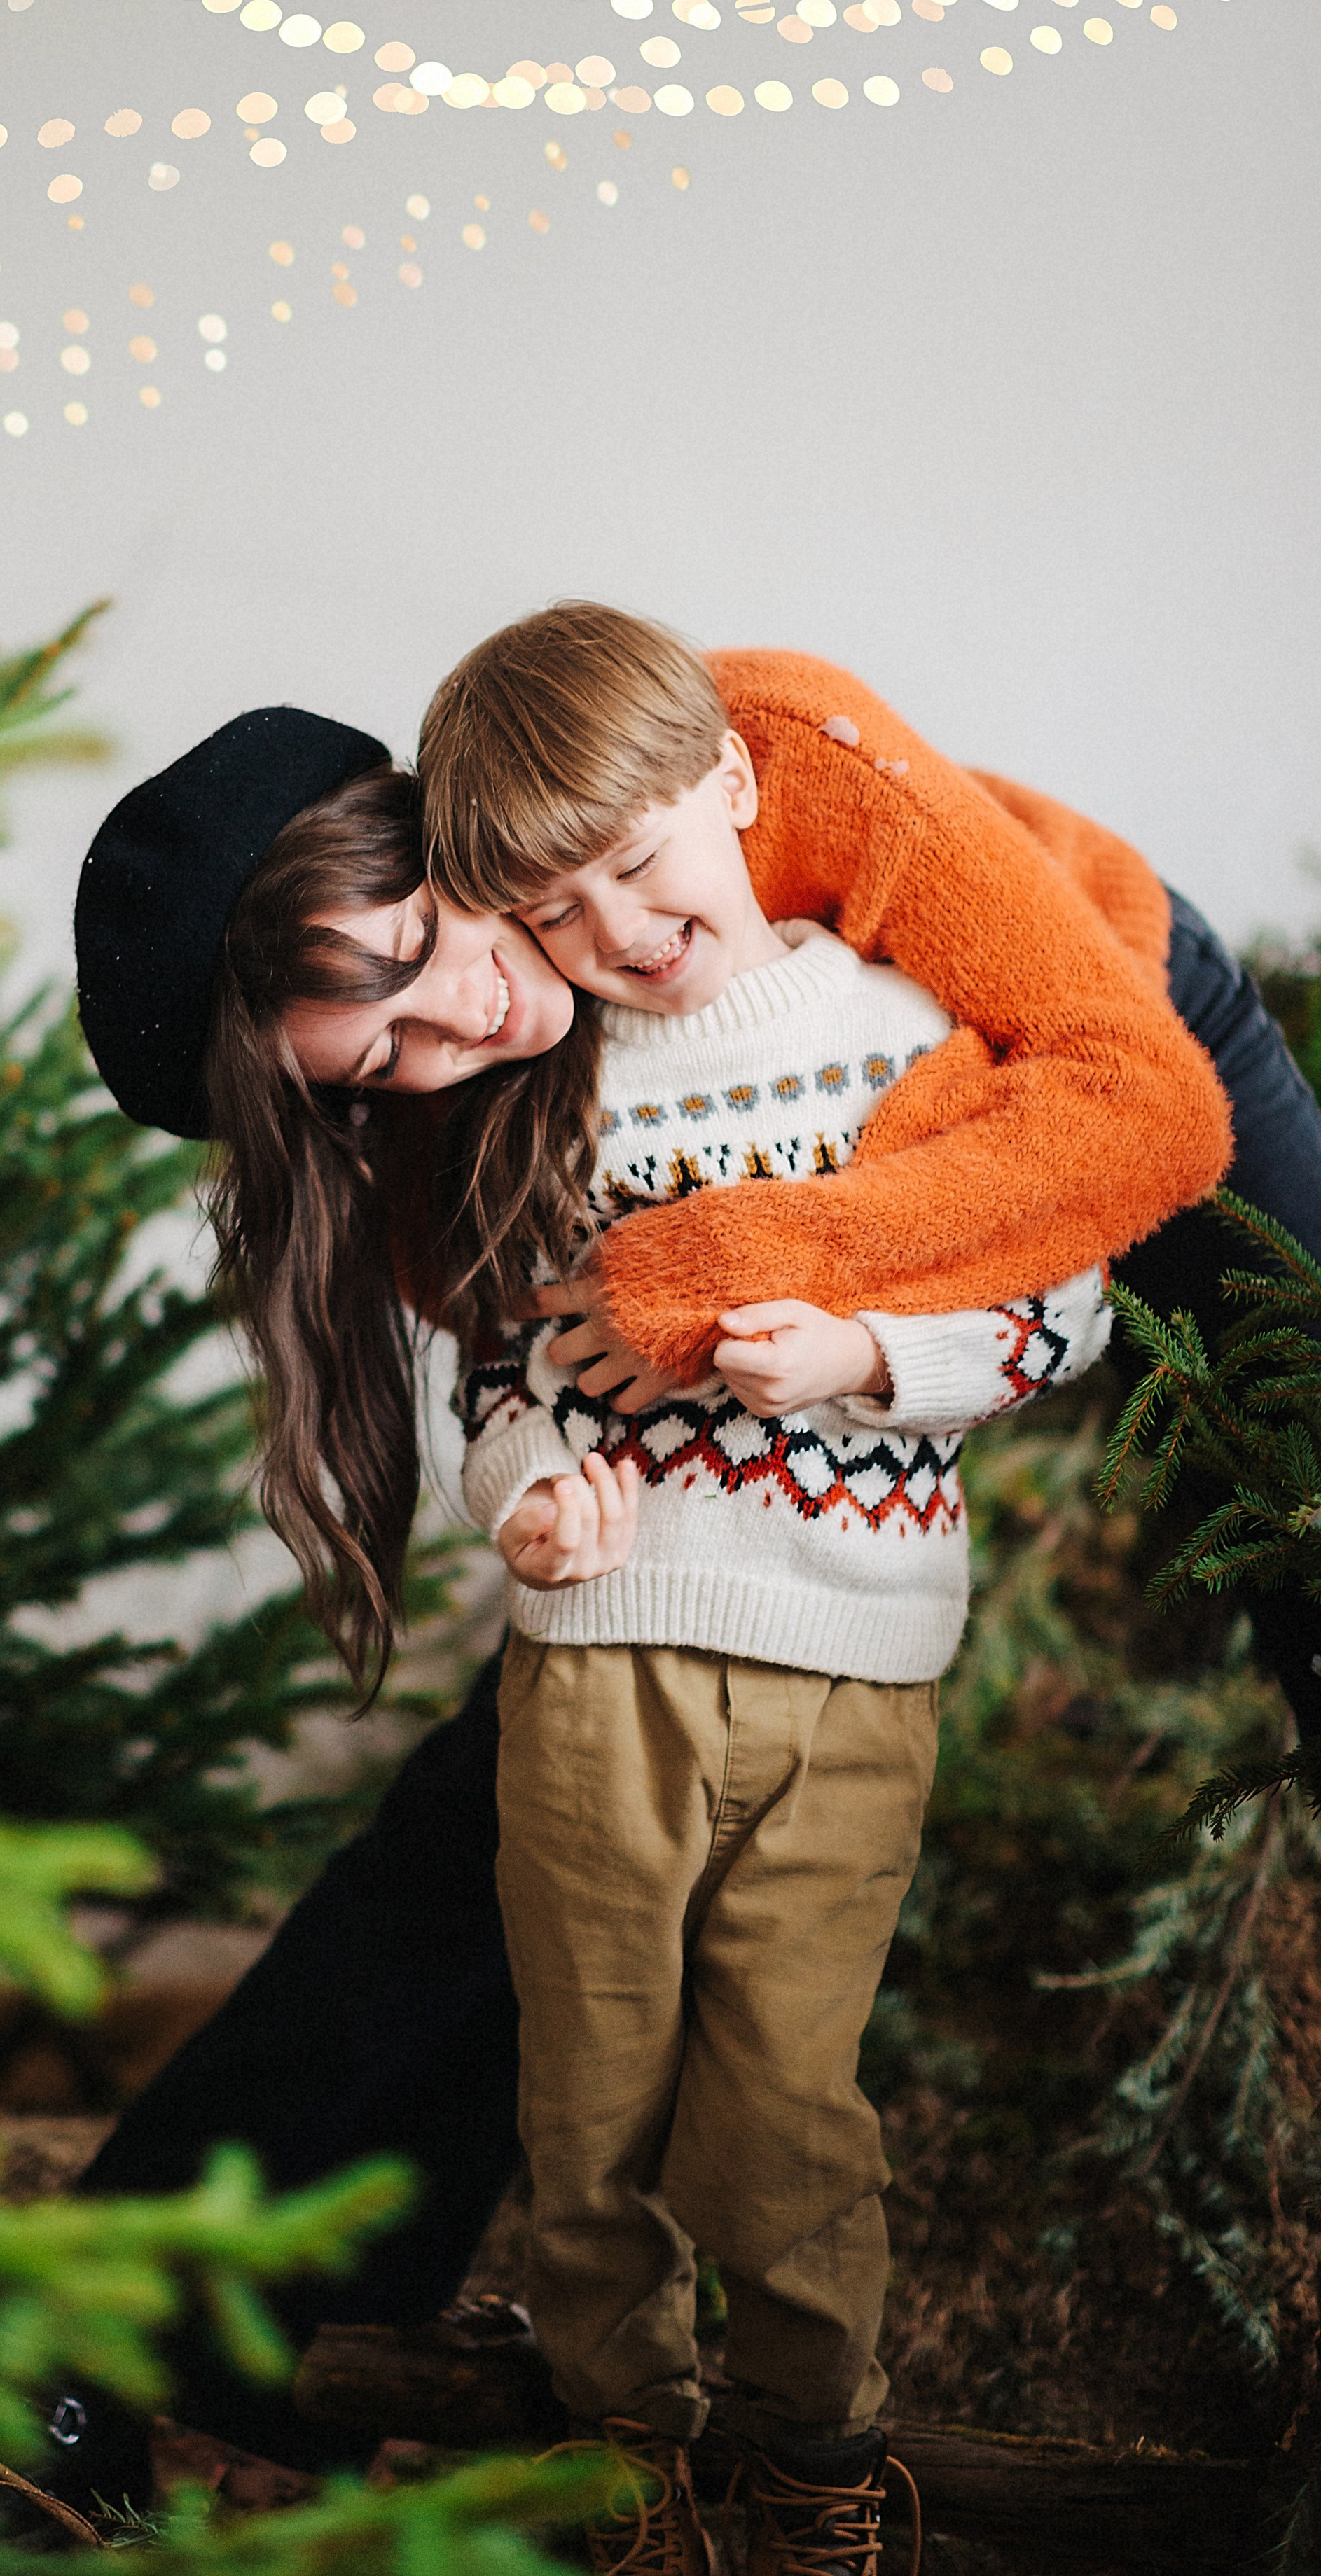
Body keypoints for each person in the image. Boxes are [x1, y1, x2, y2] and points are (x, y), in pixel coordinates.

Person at [59, 651, 1321, 2509]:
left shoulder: (741, 758)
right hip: (795, 1360)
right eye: (377, 1063)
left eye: (421, 950)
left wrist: (743, 1261)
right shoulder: (465, 1081)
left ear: (430, 826)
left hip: (1107, 1034)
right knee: (546, 1780)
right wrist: (550, 1489)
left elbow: (1133, 1106)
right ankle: (181, 2323)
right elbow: (518, 1384)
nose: (461, 1022)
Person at [429, 608, 1115, 2570]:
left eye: (639, 863)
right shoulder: (543, 1095)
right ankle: (620, 2444)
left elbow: (1059, 1307)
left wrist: (871, 1356)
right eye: (554, 913)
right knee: (589, 2095)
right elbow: (495, 1374)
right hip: (601, 1675)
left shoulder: (904, 1038)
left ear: (731, 783)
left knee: (788, 2104)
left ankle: (820, 2452)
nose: (619, 931)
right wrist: (527, 1497)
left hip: (852, 1671)